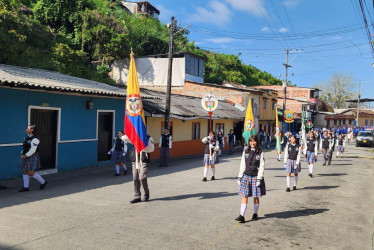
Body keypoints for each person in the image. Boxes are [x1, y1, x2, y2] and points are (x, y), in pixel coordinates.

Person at [235, 135, 265, 223]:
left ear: (257, 142)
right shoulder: (246, 151)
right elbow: (242, 164)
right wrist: (240, 176)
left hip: (256, 177)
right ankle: (241, 215)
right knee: (244, 196)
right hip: (246, 176)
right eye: (251, 141)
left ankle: (255, 214)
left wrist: (259, 179)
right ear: (249, 142)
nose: (252, 143)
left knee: (255, 197)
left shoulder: (260, 152)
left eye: (254, 141)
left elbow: (262, 166)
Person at [122, 134, 155, 203]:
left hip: (143, 160)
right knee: (135, 178)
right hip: (135, 160)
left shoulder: (149, 137)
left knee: (142, 177)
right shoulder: (135, 136)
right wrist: (130, 132)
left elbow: (152, 149)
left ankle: (146, 193)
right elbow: (124, 138)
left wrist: (142, 146)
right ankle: (137, 196)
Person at [18, 125, 48, 192]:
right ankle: (26, 187)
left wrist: (26, 155)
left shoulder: (35, 139)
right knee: (25, 170)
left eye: (28, 128)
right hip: (25, 155)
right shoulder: (26, 138)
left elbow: (33, 150)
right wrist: (22, 153)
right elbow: (24, 147)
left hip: (31, 156)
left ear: (32, 130)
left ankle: (43, 182)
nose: (26, 129)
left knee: (30, 172)